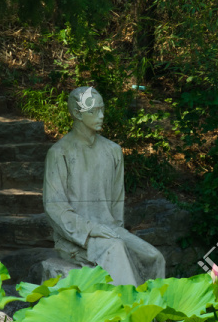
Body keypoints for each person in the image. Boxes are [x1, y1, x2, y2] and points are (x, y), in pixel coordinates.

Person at [43, 87, 166, 286]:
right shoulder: (59, 153)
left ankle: (156, 316)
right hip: (76, 238)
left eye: (102, 109)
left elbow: (117, 205)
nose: (101, 116)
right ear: (77, 113)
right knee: (115, 249)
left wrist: (114, 229)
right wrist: (91, 229)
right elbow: (55, 207)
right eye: (94, 111)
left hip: (110, 230)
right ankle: (129, 312)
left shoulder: (113, 151)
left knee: (154, 258)